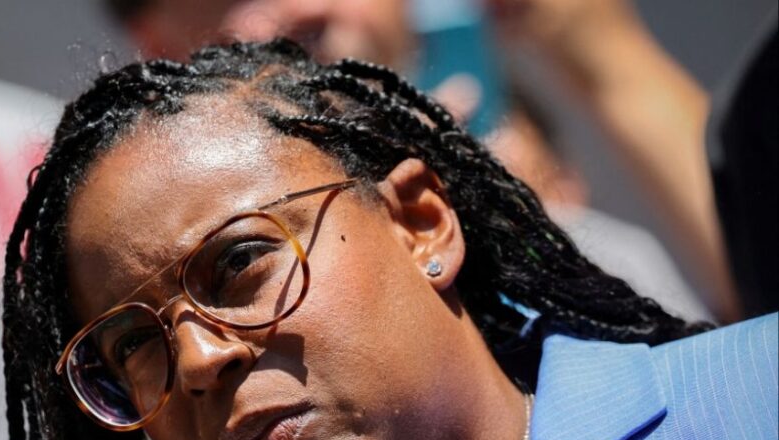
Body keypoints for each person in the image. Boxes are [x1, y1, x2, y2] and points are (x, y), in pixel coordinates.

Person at [0, 40, 777, 440]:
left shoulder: (759, 412)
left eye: (238, 262)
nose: (201, 359)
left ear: (420, 224)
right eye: (134, 340)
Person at [106, 0, 742, 323]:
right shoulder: (148, 306)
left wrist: (604, 56)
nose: (303, 10)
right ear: (155, 43)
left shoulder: (598, 254)